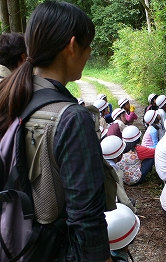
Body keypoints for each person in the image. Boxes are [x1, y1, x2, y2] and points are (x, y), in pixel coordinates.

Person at [0, 2, 111, 261]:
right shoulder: (72, 118)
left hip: (14, 243)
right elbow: (87, 220)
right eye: (88, 45)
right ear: (72, 46)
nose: (90, 51)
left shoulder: (12, 96)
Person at [101, 135, 137, 213]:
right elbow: (123, 198)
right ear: (117, 155)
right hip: (109, 207)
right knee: (131, 202)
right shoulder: (113, 171)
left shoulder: (102, 164)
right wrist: (133, 211)